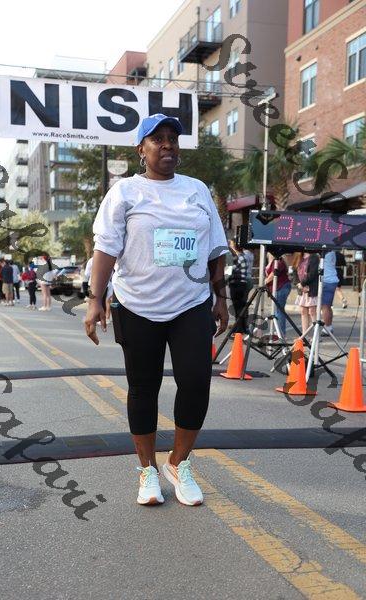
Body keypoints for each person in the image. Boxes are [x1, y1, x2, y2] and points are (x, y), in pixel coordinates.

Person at [84, 113, 229, 507]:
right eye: (158, 139)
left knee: (196, 383)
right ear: (141, 149)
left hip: (191, 304)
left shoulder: (197, 190)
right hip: (137, 305)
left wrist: (220, 297)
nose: (167, 145)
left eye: (173, 139)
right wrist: (95, 299)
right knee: (143, 389)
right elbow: (106, 247)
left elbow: (215, 247)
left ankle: (178, 464)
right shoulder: (125, 192)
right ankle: (147, 469)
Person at [265, 253, 291, 337]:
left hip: (281, 287)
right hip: (276, 287)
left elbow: (273, 273)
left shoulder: (279, 261)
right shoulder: (271, 261)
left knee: (279, 310)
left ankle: (281, 332)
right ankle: (278, 331)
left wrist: (265, 282)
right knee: (276, 310)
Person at [293, 252, 319, 335]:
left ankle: (316, 335)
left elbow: (313, 273)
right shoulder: (298, 255)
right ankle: (304, 335)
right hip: (301, 289)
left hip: (311, 288)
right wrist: (299, 284)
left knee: (312, 311)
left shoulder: (314, 257)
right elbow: (294, 272)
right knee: (303, 311)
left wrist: (303, 284)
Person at [227, 239, 248, 334]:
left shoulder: (237, 258)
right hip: (241, 284)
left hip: (236, 284)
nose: (230, 246)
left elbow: (229, 271)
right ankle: (241, 327)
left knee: (237, 307)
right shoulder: (242, 256)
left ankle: (239, 329)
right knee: (241, 307)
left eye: (231, 245)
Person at [321, 250, 339, 335]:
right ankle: (329, 326)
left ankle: (327, 328)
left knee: (324, 306)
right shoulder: (332, 252)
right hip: (332, 279)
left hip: (326, 280)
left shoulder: (323, 253)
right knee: (328, 306)